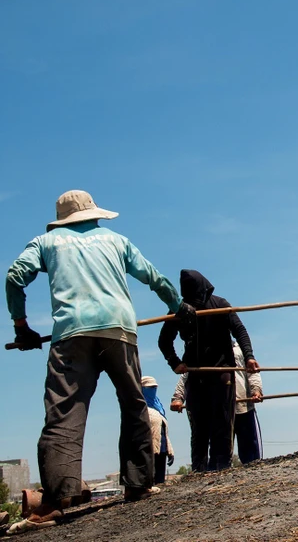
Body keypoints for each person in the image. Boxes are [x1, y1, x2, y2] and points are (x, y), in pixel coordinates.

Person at [5, 190, 195, 533]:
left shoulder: (46, 242)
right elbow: (152, 276)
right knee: (134, 403)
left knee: (63, 414)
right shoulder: (116, 240)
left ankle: (56, 500)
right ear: (94, 214)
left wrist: (22, 327)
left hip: (72, 334)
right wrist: (177, 305)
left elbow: (14, 277)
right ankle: (138, 484)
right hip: (119, 331)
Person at [158, 270, 259, 472]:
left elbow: (240, 330)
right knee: (199, 423)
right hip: (195, 373)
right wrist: (174, 362)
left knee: (222, 421)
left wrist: (248, 356)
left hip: (221, 371)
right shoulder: (180, 309)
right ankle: (199, 469)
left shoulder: (220, 305)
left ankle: (220, 467)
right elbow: (164, 341)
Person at [171, 341, 264, 464]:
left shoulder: (240, 350)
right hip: (219, 408)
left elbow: (252, 373)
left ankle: (253, 473)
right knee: (221, 449)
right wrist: (178, 397)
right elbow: (188, 375)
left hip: (242, 406)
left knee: (250, 452)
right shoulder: (206, 350)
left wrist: (256, 390)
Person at [140, 376, 175, 484]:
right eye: (149, 387)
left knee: (160, 481)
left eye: (154, 387)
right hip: (149, 450)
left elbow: (163, 430)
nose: (153, 390)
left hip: (162, 449)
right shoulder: (140, 406)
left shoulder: (158, 406)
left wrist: (170, 450)